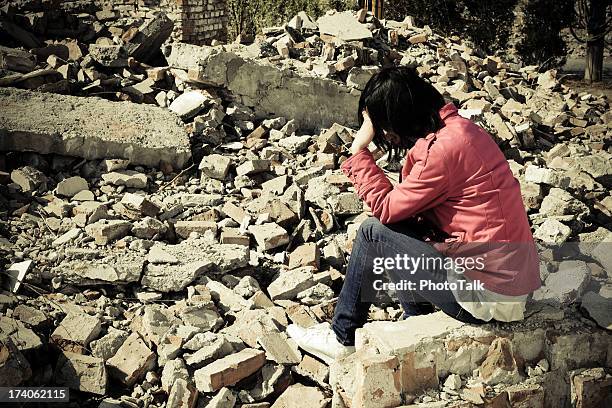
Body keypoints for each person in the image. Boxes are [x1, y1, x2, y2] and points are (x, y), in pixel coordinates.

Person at [287, 66, 541, 364]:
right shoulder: (463, 131)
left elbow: (384, 209)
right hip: (510, 285)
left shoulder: (443, 150)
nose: (385, 135)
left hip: (489, 298)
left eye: (382, 126)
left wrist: (358, 150)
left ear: (399, 118)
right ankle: (416, 318)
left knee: (373, 233)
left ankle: (342, 337)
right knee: (401, 227)